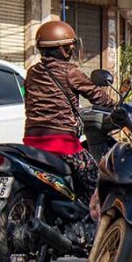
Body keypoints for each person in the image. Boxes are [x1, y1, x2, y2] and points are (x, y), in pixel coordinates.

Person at [22, 20, 116, 203]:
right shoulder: (69, 71)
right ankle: (90, 220)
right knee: (93, 176)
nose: (71, 51)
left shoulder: (32, 72)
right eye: (69, 47)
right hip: (61, 142)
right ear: (62, 49)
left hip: (31, 141)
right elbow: (97, 95)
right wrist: (117, 106)